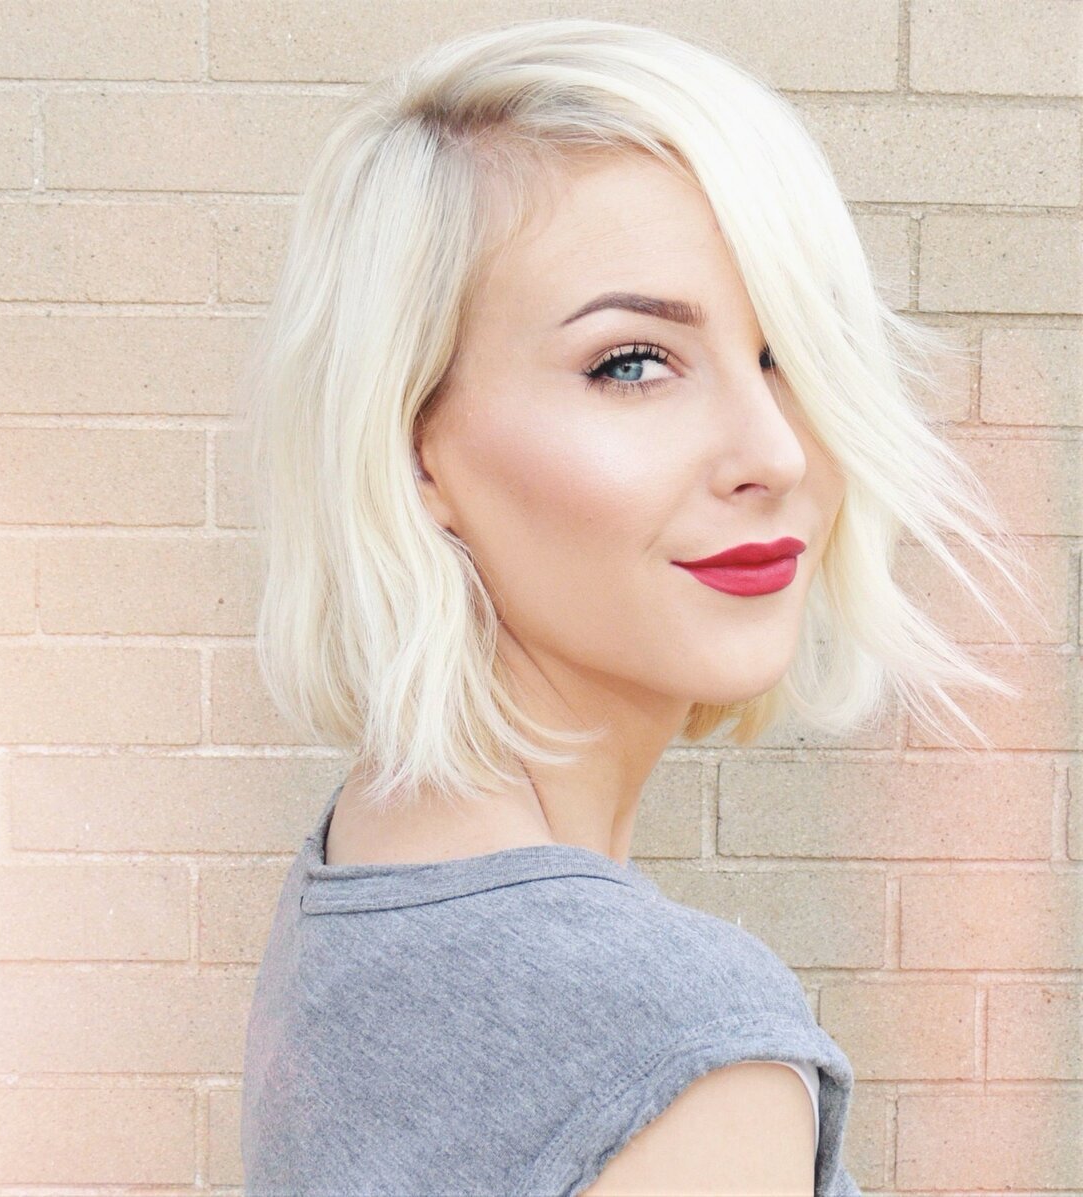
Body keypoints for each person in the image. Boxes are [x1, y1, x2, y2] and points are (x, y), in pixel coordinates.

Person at [235, 18, 1043, 1196]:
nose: (774, 453)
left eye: (786, 352)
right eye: (632, 363)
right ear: (414, 447)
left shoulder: (369, 860)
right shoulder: (679, 1043)